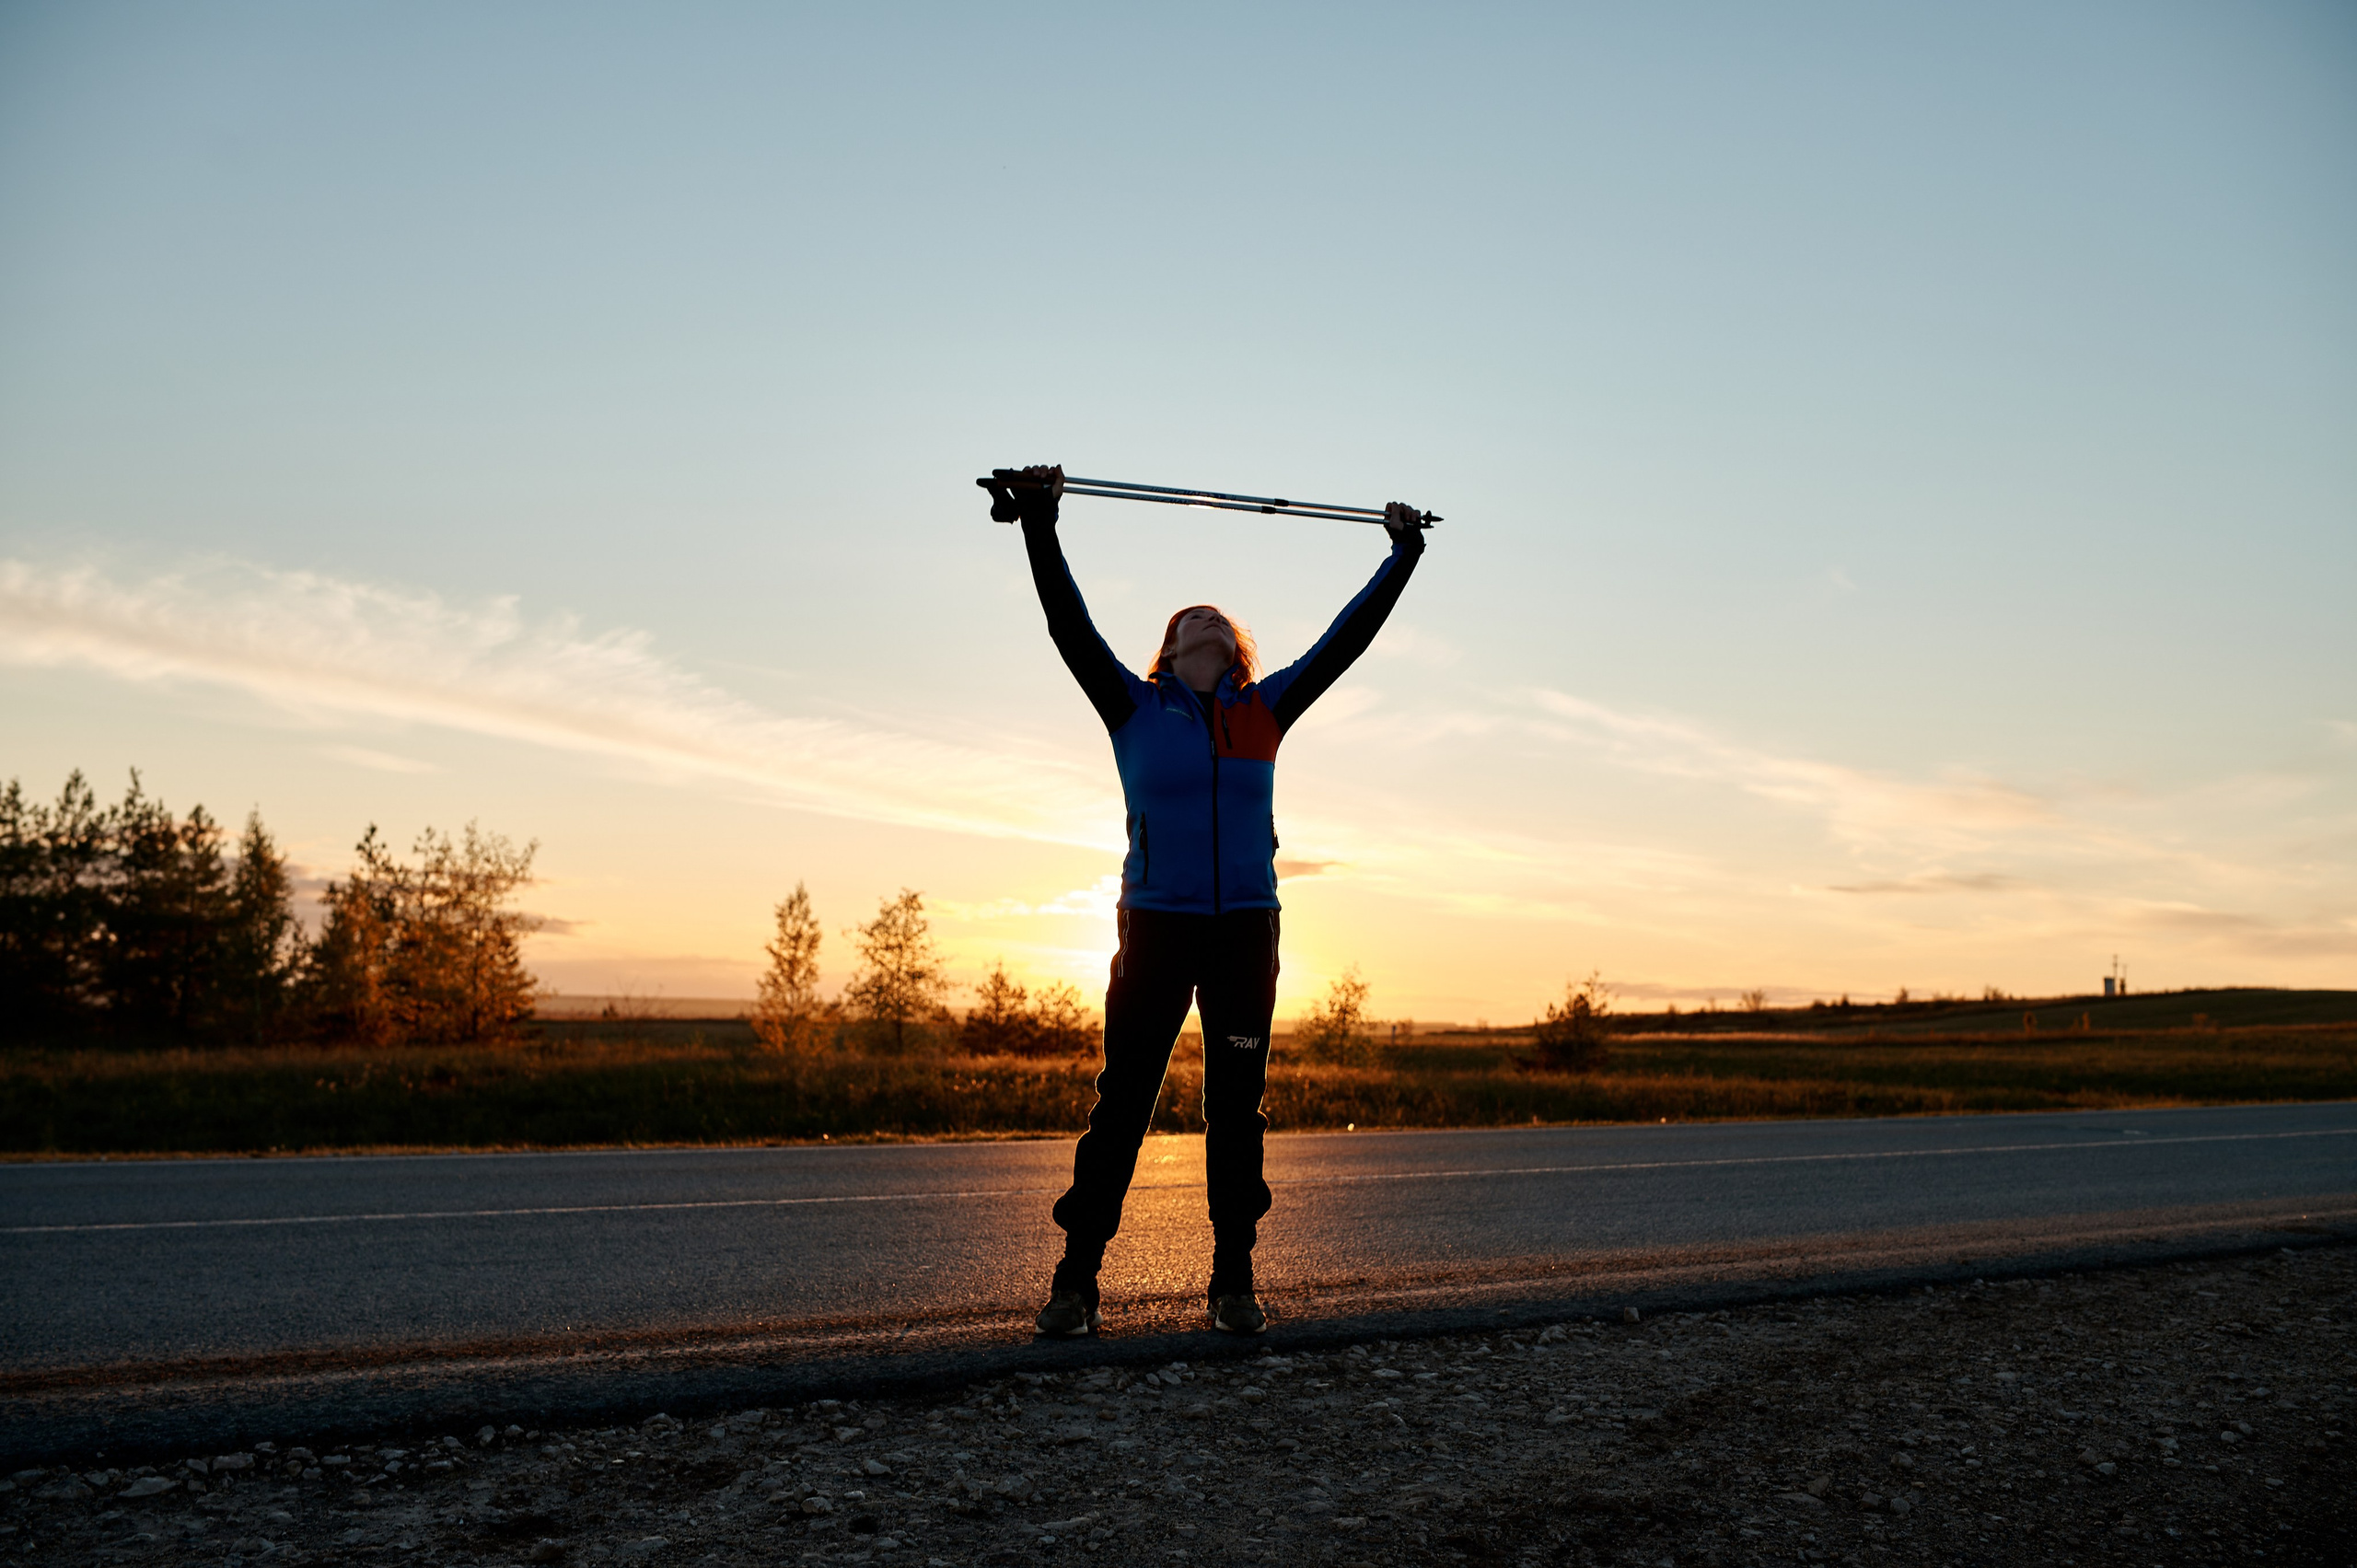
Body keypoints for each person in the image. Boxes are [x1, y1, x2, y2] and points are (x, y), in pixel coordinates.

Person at [982, 462, 1428, 1337]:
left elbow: (1348, 638)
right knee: (1125, 1100)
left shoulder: (1265, 710)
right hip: (1155, 928)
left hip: (1243, 936)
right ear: (1170, 645)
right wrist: (1040, 518)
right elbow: (1065, 620)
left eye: (1221, 619)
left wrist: (1403, 553)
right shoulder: (1132, 707)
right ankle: (1075, 1283)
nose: (1209, 617)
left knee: (1235, 1105)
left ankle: (1233, 1282)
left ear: (1235, 651)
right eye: (1193, 617)